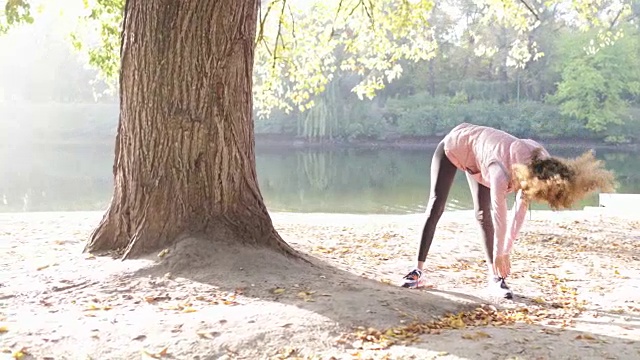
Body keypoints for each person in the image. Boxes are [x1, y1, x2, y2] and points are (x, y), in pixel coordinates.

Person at [402, 122, 616, 298]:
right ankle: (417, 270)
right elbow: (501, 215)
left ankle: (495, 279)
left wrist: (505, 252)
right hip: (455, 146)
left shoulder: (542, 163)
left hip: (480, 154)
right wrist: (500, 254)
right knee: (437, 205)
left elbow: (519, 212)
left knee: (481, 214)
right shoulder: (500, 173)